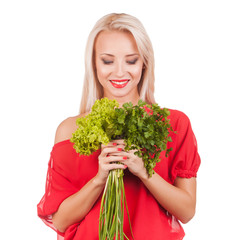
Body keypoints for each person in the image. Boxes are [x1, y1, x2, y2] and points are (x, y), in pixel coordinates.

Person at [37, 13, 201, 240]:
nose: (120, 72)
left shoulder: (174, 124)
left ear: (144, 63)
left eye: (131, 60)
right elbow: (61, 221)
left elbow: (187, 210)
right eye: (107, 61)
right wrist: (99, 178)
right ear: (94, 64)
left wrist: (144, 172)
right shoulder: (70, 130)